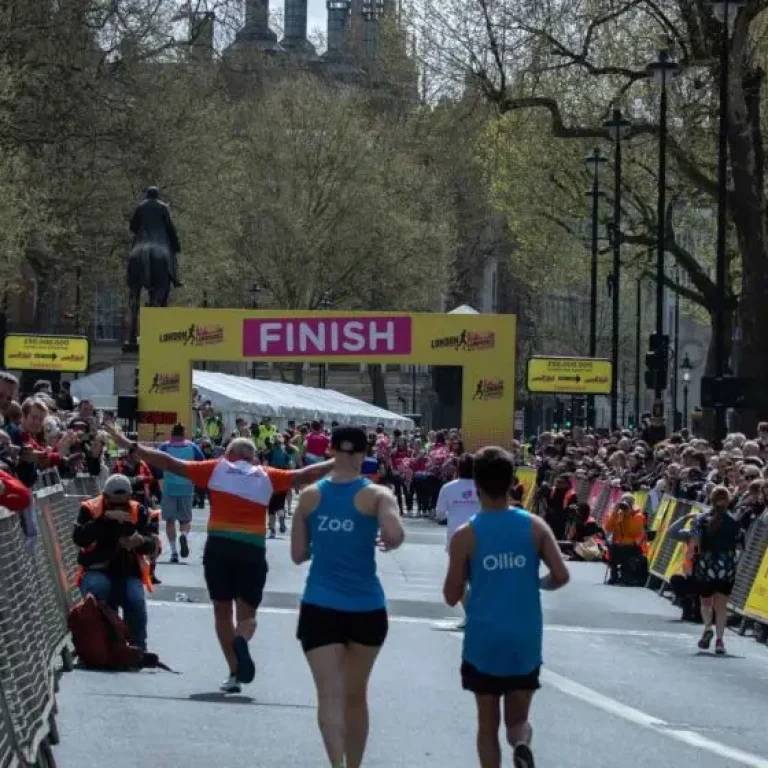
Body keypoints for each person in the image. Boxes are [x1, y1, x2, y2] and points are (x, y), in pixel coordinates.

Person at [104, 422, 334, 693]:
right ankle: (242, 639)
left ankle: (234, 671)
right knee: (248, 616)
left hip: (219, 548)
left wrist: (129, 445)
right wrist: (340, 460)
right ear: (253, 458)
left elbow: (168, 461)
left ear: (230, 455)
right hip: (251, 549)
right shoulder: (267, 475)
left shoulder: (216, 469)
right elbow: (305, 474)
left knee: (222, 610)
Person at [443, 446, 569, 768]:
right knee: (517, 721)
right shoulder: (535, 526)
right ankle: (522, 744)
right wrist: (535, 583)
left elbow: (450, 593)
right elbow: (561, 575)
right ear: (513, 481)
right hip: (524, 636)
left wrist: (470, 584)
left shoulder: (465, 535)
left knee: (487, 725)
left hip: (483, 640)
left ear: (476, 485)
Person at [290, 427, 405, 768]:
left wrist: (323, 542)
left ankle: (336, 765)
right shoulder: (377, 495)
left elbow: (298, 554)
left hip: (319, 605)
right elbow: (395, 533)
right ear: (363, 454)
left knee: (328, 695)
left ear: (331, 452)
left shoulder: (309, 496)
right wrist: (385, 537)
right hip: (366, 607)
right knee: (356, 696)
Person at [72, 474, 158, 649]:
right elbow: (80, 538)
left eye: (123, 501)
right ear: (106, 496)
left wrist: (139, 541)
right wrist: (104, 520)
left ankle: (138, 645)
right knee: (98, 590)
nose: (119, 506)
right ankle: (97, 643)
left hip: (128, 570)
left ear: (129, 497)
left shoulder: (139, 511)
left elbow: (153, 545)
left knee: (135, 598)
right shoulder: (90, 509)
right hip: (97, 568)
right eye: (114, 501)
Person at [159, 423, 204, 563]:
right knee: (185, 519)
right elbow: (201, 462)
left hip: (169, 487)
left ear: (172, 434)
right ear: (184, 434)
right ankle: (183, 534)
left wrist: (160, 478)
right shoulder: (192, 447)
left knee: (170, 521)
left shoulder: (165, 447)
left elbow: (155, 462)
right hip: (186, 486)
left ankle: (173, 552)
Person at [603, 494, 646, 585]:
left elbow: (633, 533)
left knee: (622, 549)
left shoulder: (638, 515)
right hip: (617, 545)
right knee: (612, 548)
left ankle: (626, 575)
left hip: (632, 546)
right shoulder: (616, 513)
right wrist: (615, 513)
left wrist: (628, 516)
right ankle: (613, 575)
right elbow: (608, 528)